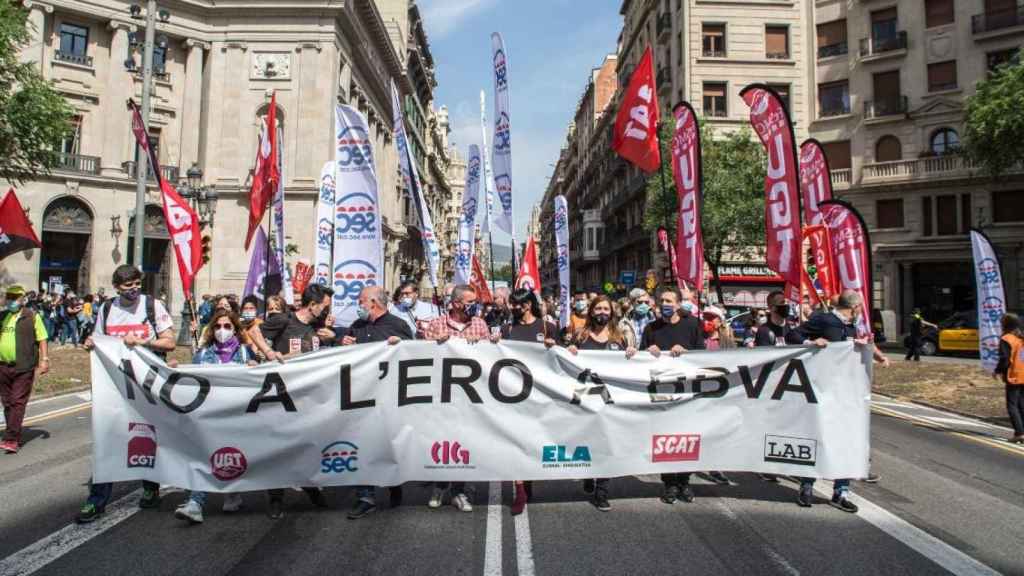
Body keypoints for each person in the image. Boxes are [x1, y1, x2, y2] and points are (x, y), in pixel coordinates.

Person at [78, 265, 176, 523]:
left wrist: (143, 342)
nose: (133, 290)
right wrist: (90, 343)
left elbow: (170, 342)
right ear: (116, 288)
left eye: (136, 284)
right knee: (107, 438)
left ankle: (150, 487)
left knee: (146, 435)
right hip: (115, 385)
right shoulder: (108, 309)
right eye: (127, 286)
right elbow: (97, 342)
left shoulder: (152, 306)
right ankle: (97, 500)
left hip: (146, 386)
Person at [790, 289, 868, 513]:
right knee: (818, 437)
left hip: (848, 394)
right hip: (822, 391)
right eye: (860, 307)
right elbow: (792, 335)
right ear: (854, 307)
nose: (861, 311)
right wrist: (811, 341)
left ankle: (841, 491)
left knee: (847, 442)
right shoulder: (824, 320)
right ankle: (807, 486)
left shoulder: (851, 327)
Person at [174, 309, 253, 524]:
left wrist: (256, 368)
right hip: (209, 416)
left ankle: (232, 494)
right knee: (207, 456)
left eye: (227, 326)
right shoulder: (203, 355)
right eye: (217, 326)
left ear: (236, 329)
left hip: (237, 415)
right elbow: (189, 380)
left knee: (233, 455)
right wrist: (172, 370)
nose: (222, 331)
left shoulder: (246, 354)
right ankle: (195, 503)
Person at [341, 286, 413, 519]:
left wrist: (401, 345)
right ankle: (365, 496)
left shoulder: (398, 325)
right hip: (361, 394)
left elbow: (415, 354)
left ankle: (394, 484)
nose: (358, 304)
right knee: (362, 444)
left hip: (389, 395)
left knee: (387, 443)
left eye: (361, 300)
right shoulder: (357, 326)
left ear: (373, 302)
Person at [422, 284, 492, 512]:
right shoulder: (436, 324)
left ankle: (459, 490)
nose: (474, 306)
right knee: (443, 441)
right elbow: (417, 356)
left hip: (470, 396)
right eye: (469, 302)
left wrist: (492, 344)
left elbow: (492, 357)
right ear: (455, 303)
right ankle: (440, 485)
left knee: (464, 441)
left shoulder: (480, 324)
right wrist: (434, 344)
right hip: (442, 394)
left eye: (475, 301)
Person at [566, 295, 637, 511]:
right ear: (591, 311)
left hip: (609, 401)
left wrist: (632, 354)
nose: (602, 313)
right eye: (598, 309)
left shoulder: (619, 338)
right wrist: (570, 351)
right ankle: (588, 474)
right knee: (587, 442)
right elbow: (564, 361)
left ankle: (602, 492)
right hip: (585, 398)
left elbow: (630, 368)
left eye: (606, 309)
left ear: (612, 312)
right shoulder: (580, 335)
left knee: (606, 443)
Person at [497, 289, 558, 515]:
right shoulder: (507, 329)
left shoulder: (547, 328)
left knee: (533, 442)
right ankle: (519, 490)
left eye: (518, 305)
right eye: (511, 304)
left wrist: (556, 347)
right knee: (515, 442)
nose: (513, 308)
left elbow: (561, 361)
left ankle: (528, 482)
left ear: (529, 305)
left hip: (540, 396)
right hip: (513, 394)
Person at [642, 287, 705, 504]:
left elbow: (702, 355)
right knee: (665, 439)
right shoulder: (651, 328)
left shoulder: (693, 325)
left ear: (678, 304)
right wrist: (649, 352)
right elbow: (641, 358)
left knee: (687, 438)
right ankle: (669, 483)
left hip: (687, 393)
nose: (664, 304)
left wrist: (687, 352)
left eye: (669, 300)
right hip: (662, 395)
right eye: (662, 301)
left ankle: (685, 482)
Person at [0, 286, 49, 454]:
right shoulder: (3, 316)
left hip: (23, 366)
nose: (11, 301)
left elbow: (42, 339)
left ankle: (11, 439)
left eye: (15, 297)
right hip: (3, 366)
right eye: (9, 297)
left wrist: (44, 360)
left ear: (22, 299)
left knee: (17, 401)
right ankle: (13, 432)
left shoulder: (32, 316)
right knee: (7, 403)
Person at [260, 284, 334, 357]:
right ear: (312, 305)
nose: (326, 311)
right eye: (325, 307)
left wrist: (331, 337)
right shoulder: (285, 319)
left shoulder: (316, 326)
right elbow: (254, 331)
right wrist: (268, 352)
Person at [994, 313, 1024, 444]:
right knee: (1022, 404)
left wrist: (998, 371)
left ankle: (1019, 433)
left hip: (1014, 375)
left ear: (1005, 325)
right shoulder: (1020, 338)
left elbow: (1005, 359)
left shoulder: (1006, 339)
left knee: (1012, 405)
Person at [238, 296, 281, 362]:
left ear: (256, 310)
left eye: (251, 308)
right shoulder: (238, 326)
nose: (248, 311)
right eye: (245, 308)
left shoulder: (261, 324)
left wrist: (260, 352)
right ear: (241, 310)